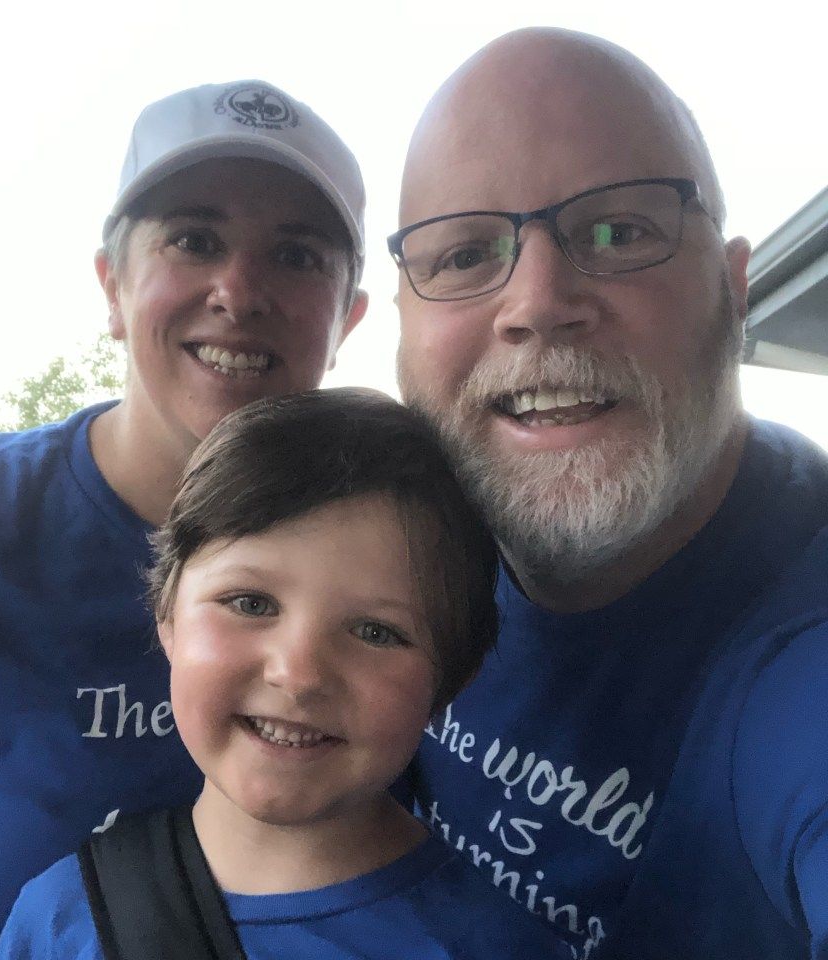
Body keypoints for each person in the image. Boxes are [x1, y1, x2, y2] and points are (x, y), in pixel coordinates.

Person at [0, 79, 368, 959]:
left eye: (297, 256)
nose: (238, 290)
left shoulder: (390, 562)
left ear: (347, 320)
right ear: (112, 285)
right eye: (193, 239)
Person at [391, 27, 828, 960]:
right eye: (465, 255)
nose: (539, 300)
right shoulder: (395, 560)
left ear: (735, 286)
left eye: (620, 231)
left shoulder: (802, 650)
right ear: (399, 326)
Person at [0, 387, 570, 960]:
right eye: (250, 603)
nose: (298, 674)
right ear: (166, 613)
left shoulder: (499, 945)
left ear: (449, 681)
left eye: (375, 632)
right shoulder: (62, 915)